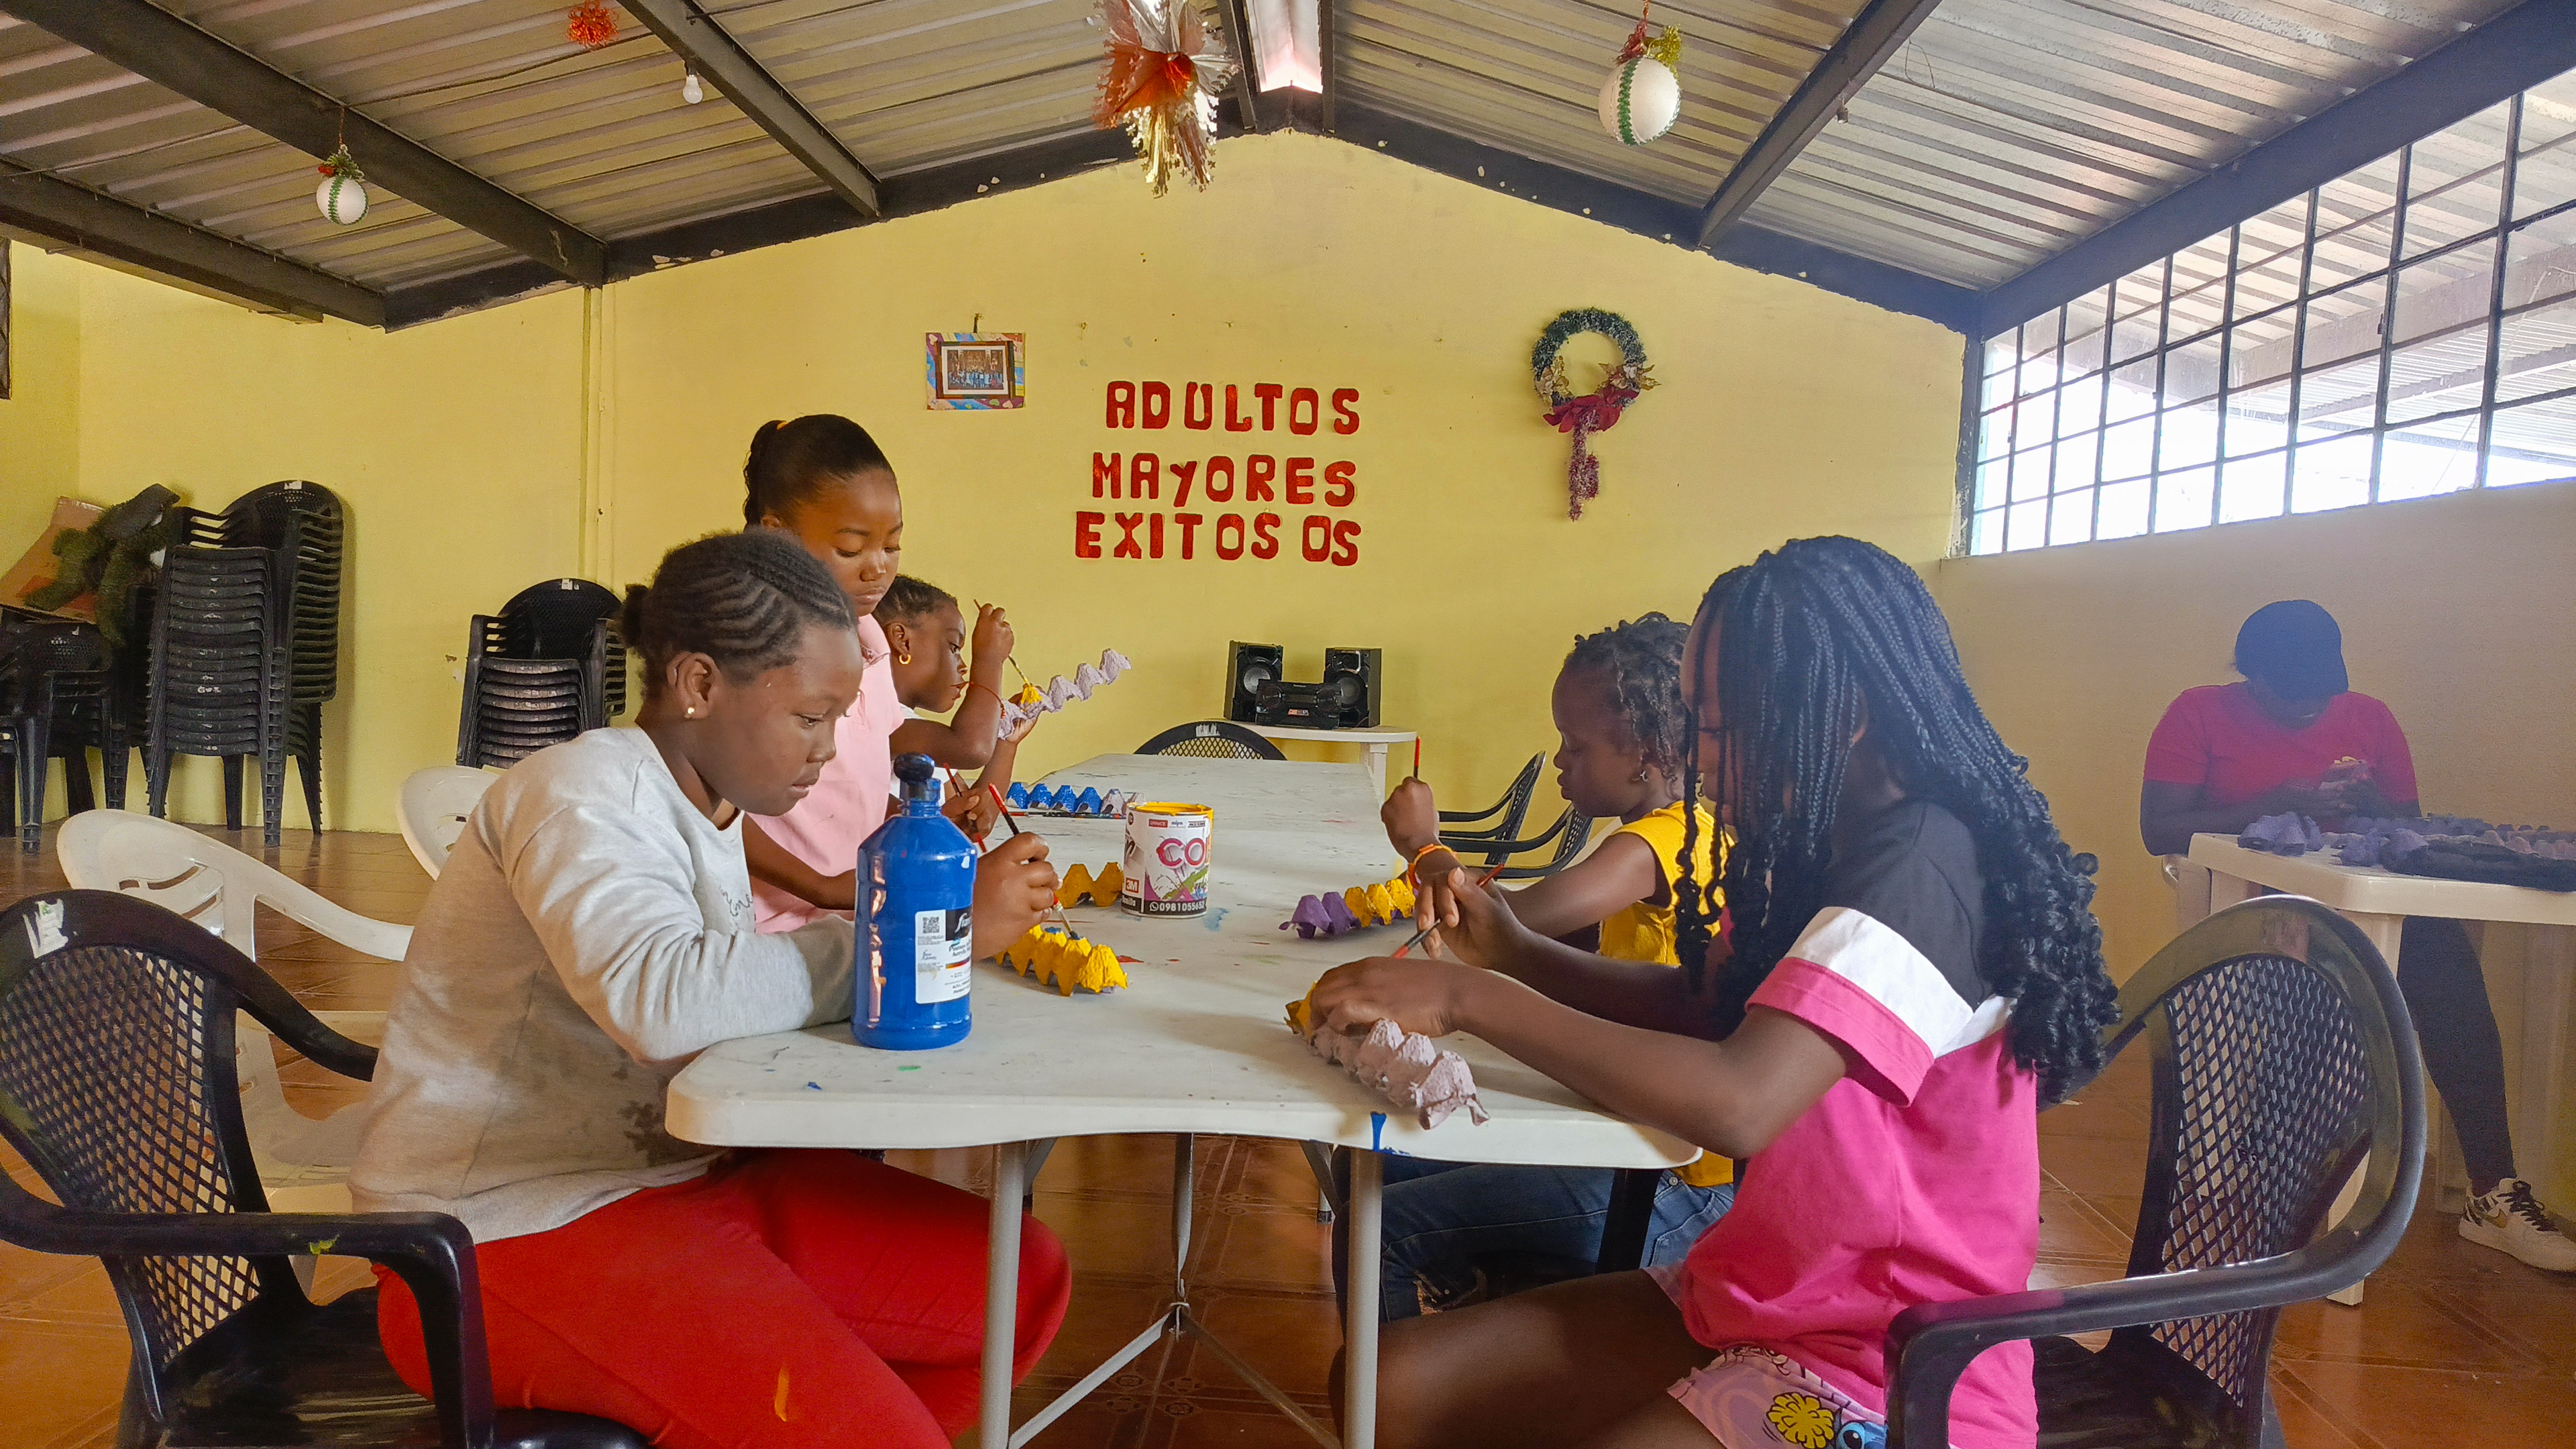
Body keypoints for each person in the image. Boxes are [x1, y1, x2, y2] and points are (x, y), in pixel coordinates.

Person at [1310, 537, 2117, 1449]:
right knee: (1387, 1390)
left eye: (1719, 729)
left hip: (1892, 1366)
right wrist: (1517, 954)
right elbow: (1702, 1011)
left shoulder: (1923, 870)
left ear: (1842, 716)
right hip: (1762, 1295)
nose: (1695, 756)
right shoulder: (1809, 850)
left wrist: (1471, 1001)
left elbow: (1743, 1102)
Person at [351, 531, 1067, 1449]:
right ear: (698, 684)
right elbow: (661, 1001)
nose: (829, 750)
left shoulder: (712, 801)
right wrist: (915, 943)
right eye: (810, 717)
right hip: (497, 1231)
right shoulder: (584, 792)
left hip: (683, 1172)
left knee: (1022, 1282)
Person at [2142, 599, 2576, 1272]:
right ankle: (2284, 1174)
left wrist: (2368, 803)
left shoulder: (2370, 718)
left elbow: (2408, 824)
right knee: (2320, 973)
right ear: (2251, 675)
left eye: (2322, 696)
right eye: (2293, 697)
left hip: (2363, 901)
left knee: (2447, 971)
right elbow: (2159, 829)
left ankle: (2494, 1193)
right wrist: (2282, 802)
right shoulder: (2198, 712)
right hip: (2253, 902)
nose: (2310, 709)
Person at [1358, 614, 1733, 1319]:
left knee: (1381, 1227)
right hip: (1633, 1128)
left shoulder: (1655, 846)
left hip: (1676, 1184)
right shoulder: (1668, 833)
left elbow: (1501, 928)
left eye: (1575, 746)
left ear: (1646, 754)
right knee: (1372, 1169)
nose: (1560, 760)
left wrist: (1426, 846)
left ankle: (1407, 1383)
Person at [733, 415, 1053, 929]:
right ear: (778, 538)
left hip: (861, 908)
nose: (877, 569)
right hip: (777, 926)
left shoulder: (869, 639)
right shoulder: (753, 649)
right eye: (851, 548)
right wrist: (822, 887)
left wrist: (914, 823)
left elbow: (854, 783)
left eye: (891, 546)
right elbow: (713, 808)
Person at [875, 573, 1032, 839]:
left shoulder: (921, 734)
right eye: (954, 647)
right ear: (903, 641)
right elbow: (972, 749)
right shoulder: (877, 719)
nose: (963, 666)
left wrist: (1008, 741)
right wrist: (989, 660)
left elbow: (973, 822)